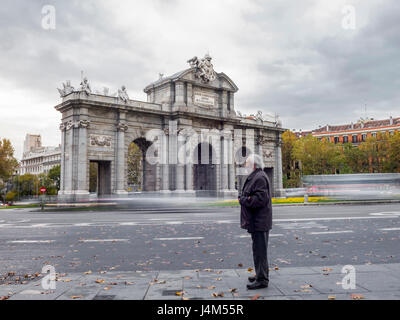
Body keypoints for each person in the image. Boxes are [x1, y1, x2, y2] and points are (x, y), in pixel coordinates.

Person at [238, 154, 272, 290]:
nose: (245, 165)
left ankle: (262, 279)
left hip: (260, 221)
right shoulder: (257, 176)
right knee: (258, 250)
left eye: (247, 163)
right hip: (257, 221)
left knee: (260, 251)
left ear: (253, 165)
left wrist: (243, 200)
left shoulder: (259, 177)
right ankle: (260, 274)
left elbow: (259, 199)